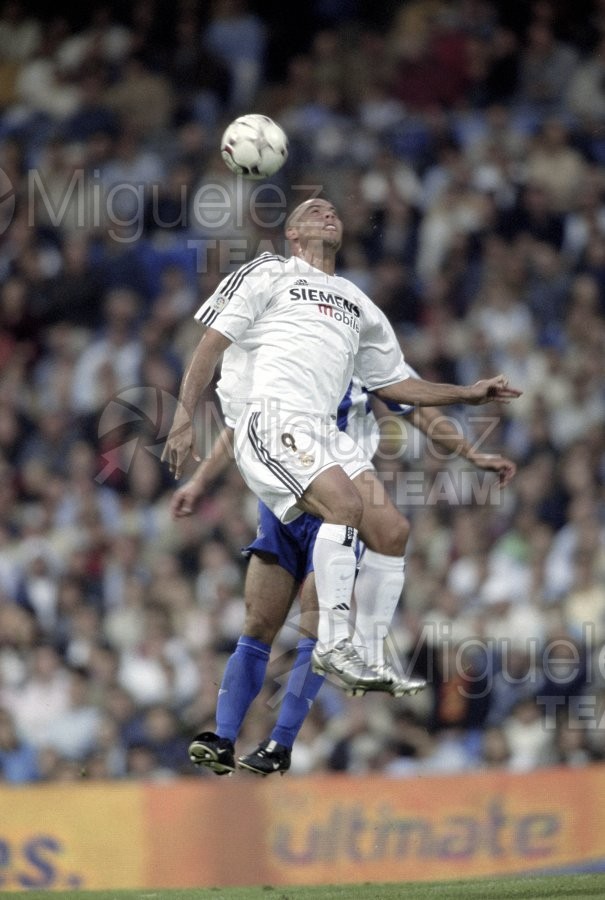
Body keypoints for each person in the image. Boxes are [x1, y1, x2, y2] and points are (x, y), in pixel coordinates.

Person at [162, 196, 521, 699]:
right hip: (276, 417)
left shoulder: (358, 302)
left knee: (392, 531)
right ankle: (333, 645)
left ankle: (367, 655)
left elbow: (395, 386)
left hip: (330, 435)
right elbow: (211, 343)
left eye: (333, 210)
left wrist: (468, 394)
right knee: (345, 509)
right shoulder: (269, 272)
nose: (328, 214)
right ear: (291, 234)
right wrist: (183, 415)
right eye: (313, 211)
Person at [171, 375, 517, 776]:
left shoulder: (360, 350)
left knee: (315, 626)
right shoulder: (280, 355)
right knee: (258, 624)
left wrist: (473, 452)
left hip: (338, 507)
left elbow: (415, 404)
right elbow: (242, 421)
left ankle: (281, 741)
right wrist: (200, 481)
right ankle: (224, 738)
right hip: (281, 501)